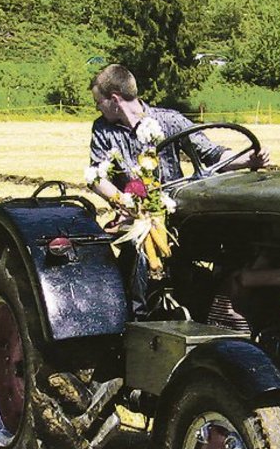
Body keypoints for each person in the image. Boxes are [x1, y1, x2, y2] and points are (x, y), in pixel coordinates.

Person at [86, 64, 269, 318]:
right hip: (137, 217)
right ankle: (138, 318)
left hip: (179, 212)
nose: (97, 108)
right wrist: (121, 200)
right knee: (138, 252)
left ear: (115, 99)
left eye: (99, 102)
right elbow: (97, 176)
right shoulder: (103, 130)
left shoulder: (168, 120)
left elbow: (212, 153)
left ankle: (222, 307)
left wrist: (248, 160)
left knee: (233, 240)